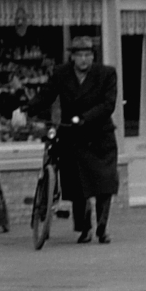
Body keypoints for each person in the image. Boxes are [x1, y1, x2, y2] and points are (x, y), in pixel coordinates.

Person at [15, 32, 119, 243]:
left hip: (99, 136)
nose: (83, 59)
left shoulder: (106, 74)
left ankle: (102, 228)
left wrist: (85, 118)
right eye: (79, 55)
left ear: (93, 56)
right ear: (72, 57)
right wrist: (26, 109)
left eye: (87, 55)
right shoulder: (61, 74)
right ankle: (84, 228)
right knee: (78, 184)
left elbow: (108, 104)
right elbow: (46, 95)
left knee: (103, 184)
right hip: (73, 135)